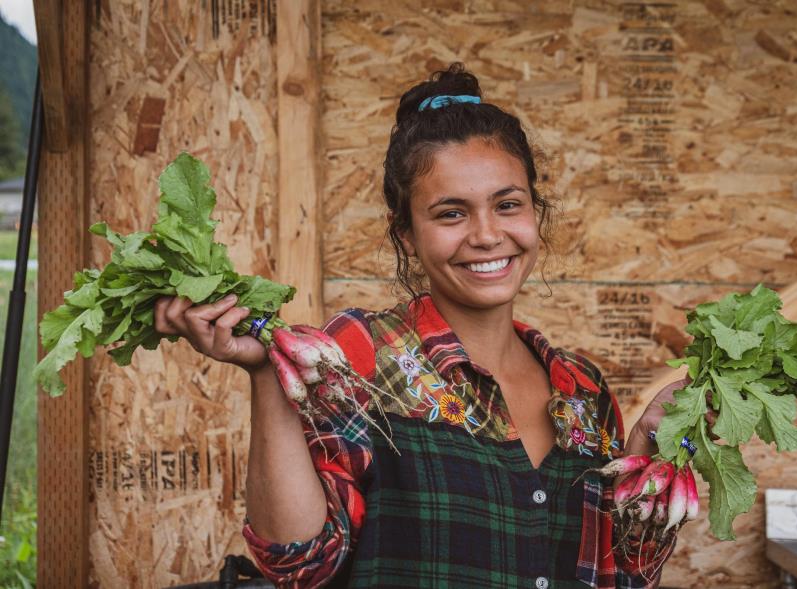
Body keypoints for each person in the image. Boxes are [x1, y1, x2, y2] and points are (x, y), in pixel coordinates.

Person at [154, 63, 689, 588]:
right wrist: (267, 374)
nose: (486, 234)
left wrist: (647, 453)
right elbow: (299, 563)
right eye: (451, 214)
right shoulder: (358, 356)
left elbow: (617, 577)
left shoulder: (583, 391)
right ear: (406, 233)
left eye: (507, 204)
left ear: (535, 213)